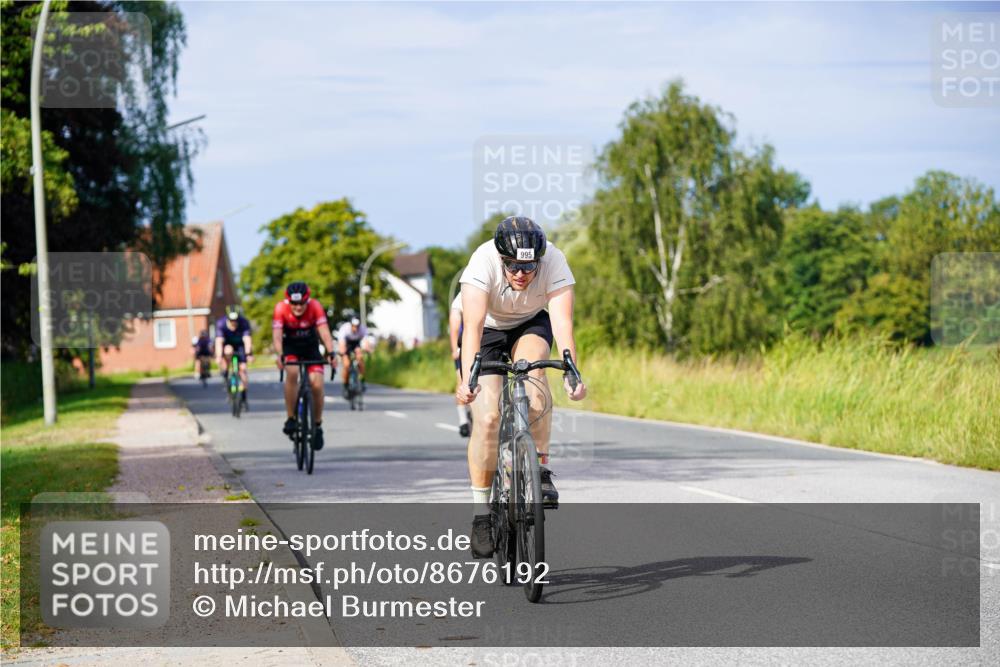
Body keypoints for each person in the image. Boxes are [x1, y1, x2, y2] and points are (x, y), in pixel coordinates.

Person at [456, 215, 587, 558]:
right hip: (488, 330)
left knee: (535, 376)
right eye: (513, 266)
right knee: (486, 420)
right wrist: (467, 378)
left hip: (530, 323)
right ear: (501, 258)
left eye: (528, 267)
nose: (521, 274)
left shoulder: (555, 260)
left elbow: (562, 320)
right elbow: (471, 328)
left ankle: (539, 466)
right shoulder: (482, 262)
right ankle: (481, 514)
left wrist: (571, 369)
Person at [273, 282, 336, 450]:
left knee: (317, 384)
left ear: (307, 300)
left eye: (302, 303)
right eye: (294, 303)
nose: (298, 307)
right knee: (292, 372)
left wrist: (331, 352)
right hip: (291, 347)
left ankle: (317, 424)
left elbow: (324, 332)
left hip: (310, 347)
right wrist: (280, 355)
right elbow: (277, 337)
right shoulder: (280, 309)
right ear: (288, 302)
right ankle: (291, 418)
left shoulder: (315, 307)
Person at [215, 306, 254, 405]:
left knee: (243, 369)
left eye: (235, 320)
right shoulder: (221, 323)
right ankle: (226, 372)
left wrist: (249, 354)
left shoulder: (244, 322)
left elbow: (247, 340)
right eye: (231, 320)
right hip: (227, 345)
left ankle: (244, 395)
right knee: (228, 350)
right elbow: (219, 342)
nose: (233, 323)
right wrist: (219, 356)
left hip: (240, 346)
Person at [448, 294, 472, 437]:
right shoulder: (461, 300)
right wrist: (454, 349)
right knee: (461, 380)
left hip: (484, 343)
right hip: (462, 346)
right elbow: (454, 328)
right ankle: (463, 420)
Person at [337, 313, 369, 399]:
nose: (355, 328)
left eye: (357, 326)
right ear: (351, 324)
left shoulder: (362, 329)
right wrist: (342, 353)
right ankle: (345, 385)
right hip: (347, 344)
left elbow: (366, 342)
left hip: (356, 344)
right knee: (347, 365)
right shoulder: (345, 328)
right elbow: (342, 344)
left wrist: (366, 349)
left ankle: (362, 381)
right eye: (353, 326)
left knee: (360, 359)